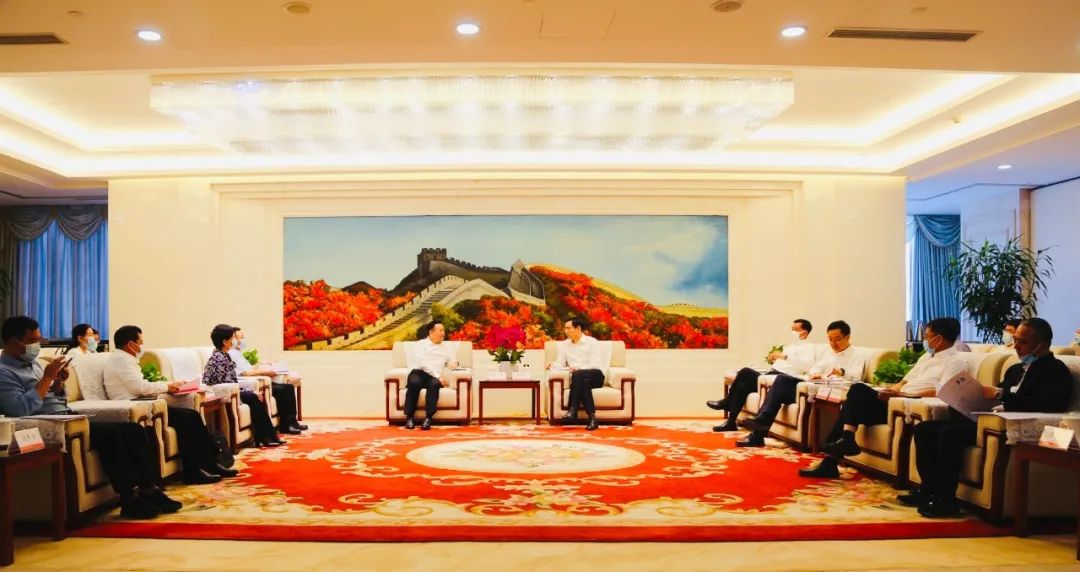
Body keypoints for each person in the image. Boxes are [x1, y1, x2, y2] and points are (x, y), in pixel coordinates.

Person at [0, 316, 179, 519]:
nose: (38, 345)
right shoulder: (4, 372)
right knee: (110, 435)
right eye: (33, 341)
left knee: (133, 430)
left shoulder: (32, 364)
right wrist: (48, 378)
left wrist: (58, 384)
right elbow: (20, 408)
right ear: (14, 342)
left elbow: (56, 398)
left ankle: (150, 490)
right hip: (51, 425)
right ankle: (128, 499)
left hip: (67, 416)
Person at [904, 317, 1072, 517]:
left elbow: (1048, 404)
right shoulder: (1015, 369)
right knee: (925, 429)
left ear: (1041, 344)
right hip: (988, 419)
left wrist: (1000, 395)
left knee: (949, 434)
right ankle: (927, 490)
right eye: (1015, 340)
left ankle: (946, 500)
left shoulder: (1055, 371)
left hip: (1010, 426)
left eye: (1023, 342)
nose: (1016, 346)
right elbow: (998, 393)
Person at [799, 317, 967, 478]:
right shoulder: (926, 357)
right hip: (896, 400)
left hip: (909, 405)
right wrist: (891, 391)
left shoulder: (955, 361)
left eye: (927, 336)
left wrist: (902, 394)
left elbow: (944, 390)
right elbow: (904, 381)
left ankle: (834, 457)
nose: (924, 340)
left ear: (938, 338)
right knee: (857, 392)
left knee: (853, 402)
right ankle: (846, 441)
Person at [103, 325, 237, 484]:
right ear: (130, 344)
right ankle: (194, 471)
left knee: (191, 415)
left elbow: (140, 386)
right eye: (140, 342)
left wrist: (171, 385)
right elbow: (140, 387)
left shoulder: (125, 359)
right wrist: (167, 386)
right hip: (134, 406)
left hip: (144, 403)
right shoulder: (121, 360)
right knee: (188, 418)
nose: (142, 346)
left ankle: (208, 464)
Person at [736, 320, 866, 448]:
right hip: (814, 388)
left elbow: (856, 377)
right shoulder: (828, 352)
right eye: (830, 339)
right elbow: (815, 368)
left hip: (832, 392)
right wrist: (815, 373)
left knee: (782, 384)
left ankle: (757, 434)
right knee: (782, 380)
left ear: (847, 337)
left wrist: (842, 372)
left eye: (837, 339)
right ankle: (761, 424)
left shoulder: (857, 355)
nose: (833, 343)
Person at [707, 319, 815, 432]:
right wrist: (775, 359)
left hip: (782, 379)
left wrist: (784, 356)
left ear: (804, 333)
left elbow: (807, 365)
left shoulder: (808, 347)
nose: (792, 332)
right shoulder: (790, 346)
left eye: (795, 330)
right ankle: (730, 421)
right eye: (791, 329)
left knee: (745, 374)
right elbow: (786, 362)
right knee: (743, 380)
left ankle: (727, 403)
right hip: (770, 375)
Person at [202, 324, 285, 447]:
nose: (234, 341)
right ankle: (266, 437)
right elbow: (225, 384)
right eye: (232, 338)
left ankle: (267, 436)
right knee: (253, 397)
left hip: (231, 390)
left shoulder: (224, 355)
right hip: (222, 393)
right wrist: (248, 391)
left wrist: (249, 389)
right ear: (225, 342)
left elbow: (232, 380)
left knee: (253, 396)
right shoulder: (219, 359)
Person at [227, 327, 305, 435]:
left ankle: (292, 421)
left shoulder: (238, 353)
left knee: (288, 387)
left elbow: (249, 369)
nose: (244, 339)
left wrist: (265, 365)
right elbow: (244, 373)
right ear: (234, 339)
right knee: (283, 390)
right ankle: (286, 425)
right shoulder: (232, 354)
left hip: (258, 380)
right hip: (252, 383)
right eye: (241, 337)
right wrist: (265, 372)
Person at [549, 318, 607, 431]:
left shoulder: (592, 342)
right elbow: (560, 364)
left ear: (578, 328)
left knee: (578, 374)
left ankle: (573, 410)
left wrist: (579, 369)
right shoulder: (564, 345)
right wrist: (552, 365)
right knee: (582, 380)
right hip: (579, 378)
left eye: (568, 328)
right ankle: (592, 418)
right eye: (565, 328)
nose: (565, 331)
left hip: (595, 375)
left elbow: (595, 364)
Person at [403, 320, 458, 430]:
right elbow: (422, 364)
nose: (443, 333)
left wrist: (454, 363)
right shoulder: (421, 344)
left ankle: (428, 418)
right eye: (440, 331)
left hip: (433, 377)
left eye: (443, 331)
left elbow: (451, 360)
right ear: (431, 332)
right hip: (419, 373)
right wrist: (438, 376)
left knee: (434, 385)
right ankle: (409, 417)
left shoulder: (446, 346)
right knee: (414, 383)